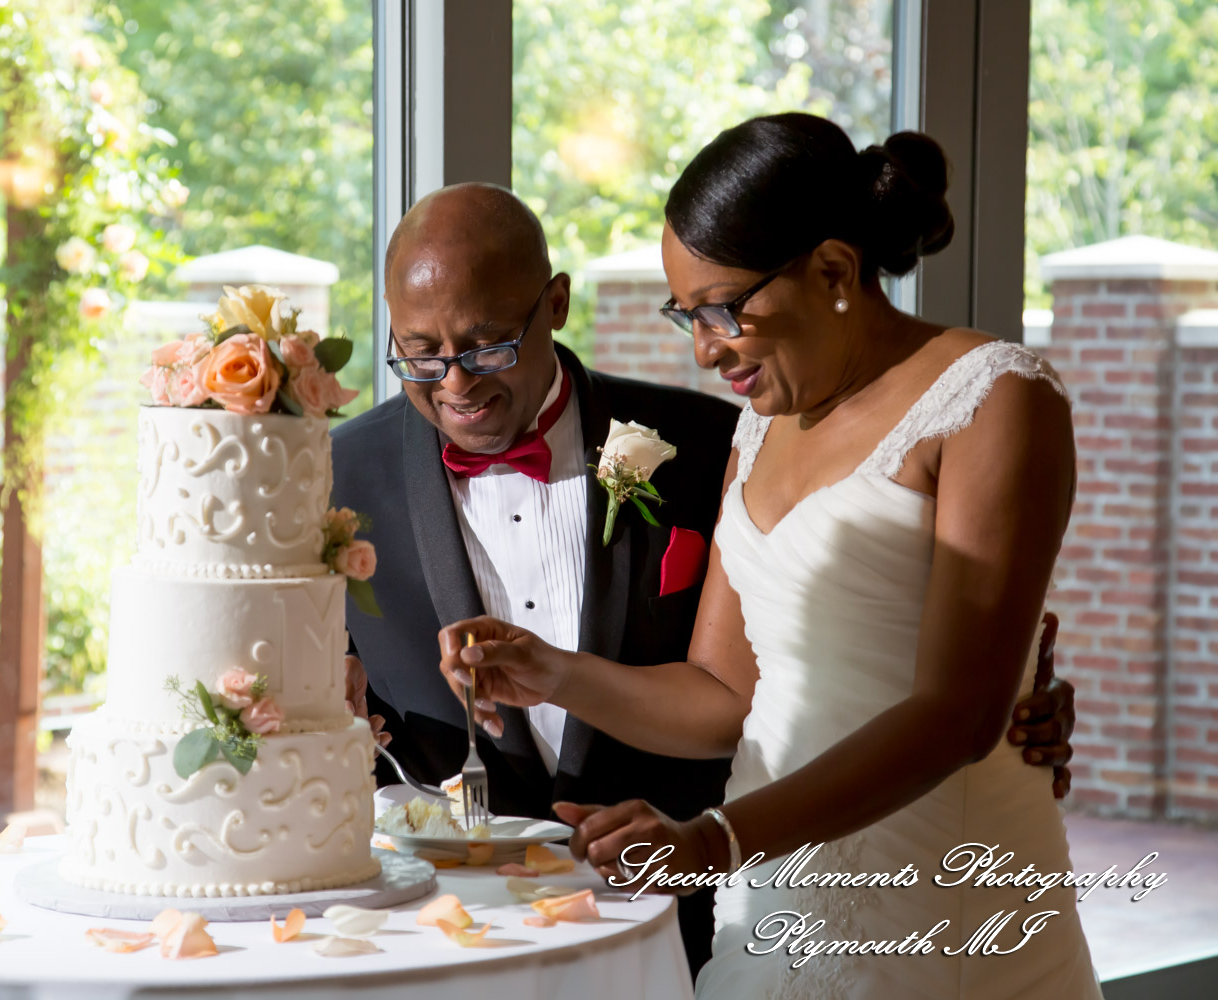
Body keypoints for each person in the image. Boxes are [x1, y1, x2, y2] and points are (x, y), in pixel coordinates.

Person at [336, 181, 1079, 982]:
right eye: (421, 354)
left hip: (699, 905)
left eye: (488, 347)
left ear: (555, 304)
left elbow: (904, 667)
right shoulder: (330, 477)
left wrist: (1007, 688)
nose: (454, 382)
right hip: (443, 934)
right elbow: (292, 702)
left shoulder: (710, 439)